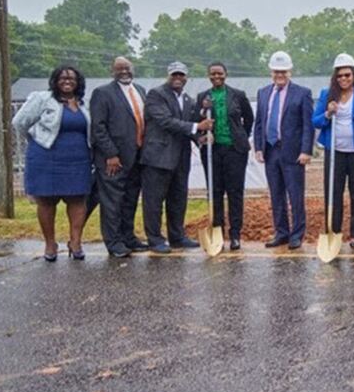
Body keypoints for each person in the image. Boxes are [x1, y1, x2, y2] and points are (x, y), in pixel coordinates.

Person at [12, 65, 92, 261]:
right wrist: (37, 139)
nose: (67, 81)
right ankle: (50, 244)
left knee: (77, 200)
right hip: (45, 158)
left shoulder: (83, 103)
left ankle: (75, 242)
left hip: (78, 159)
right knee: (46, 201)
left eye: (72, 78)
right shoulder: (42, 99)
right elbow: (19, 122)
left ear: (78, 82)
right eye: (62, 78)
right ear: (55, 81)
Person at [140, 62, 213, 254]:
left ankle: (177, 236)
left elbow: (188, 126)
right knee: (154, 201)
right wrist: (198, 127)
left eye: (181, 75)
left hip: (181, 158)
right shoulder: (156, 95)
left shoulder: (187, 99)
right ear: (168, 76)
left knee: (178, 199)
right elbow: (165, 121)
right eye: (174, 75)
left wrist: (200, 138)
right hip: (158, 157)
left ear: (186, 77)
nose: (178, 78)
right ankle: (155, 239)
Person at [312, 53, 354, 250]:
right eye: (340, 75)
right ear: (335, 76)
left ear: (353, 75)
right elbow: (315, 121)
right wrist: (327, 113)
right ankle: (334, 230)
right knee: (333, 192)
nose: (343, 79)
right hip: (335, 152)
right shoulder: (326, 94)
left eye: (347, 75)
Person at [88, 56, 149, 258]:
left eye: (127, 68)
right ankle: (113, 242)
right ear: (112, 71)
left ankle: (128, 237)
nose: (124, 72)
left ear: (133, 69)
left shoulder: (140, 90)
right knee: (112, 202)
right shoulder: (102, 93)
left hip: (137, 157)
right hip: (113, 160)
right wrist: (111, 154)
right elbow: (98, 127)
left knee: (130, 199)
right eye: (119, 69)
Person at [254, 51, 315, 250]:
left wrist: (306, 150)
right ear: (271, 72)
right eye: (276, 71)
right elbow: (259, 123)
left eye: (283, 71)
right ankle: (281, 232)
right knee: (276, 194)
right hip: (271, 151)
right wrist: (258, 147)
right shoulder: (263, 93)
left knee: (295, 195)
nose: (279, 75)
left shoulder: (302, 93)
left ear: (290, 71)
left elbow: (308, 125)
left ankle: (297, 234)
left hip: (293, 153)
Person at [196, 62, 254, 251]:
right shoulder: (202, 97)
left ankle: (235, 234)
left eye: (220, 73)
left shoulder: (238, 95)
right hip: (212, 151)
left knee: (235, 192)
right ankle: (217, 231)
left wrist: (240, 136)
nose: (216, 77)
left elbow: (249, 118)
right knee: (215, 191)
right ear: (208, 76)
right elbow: (194, 122)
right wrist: (202, 136)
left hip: (234, 151)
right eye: (212, 74)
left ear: (226, 74)